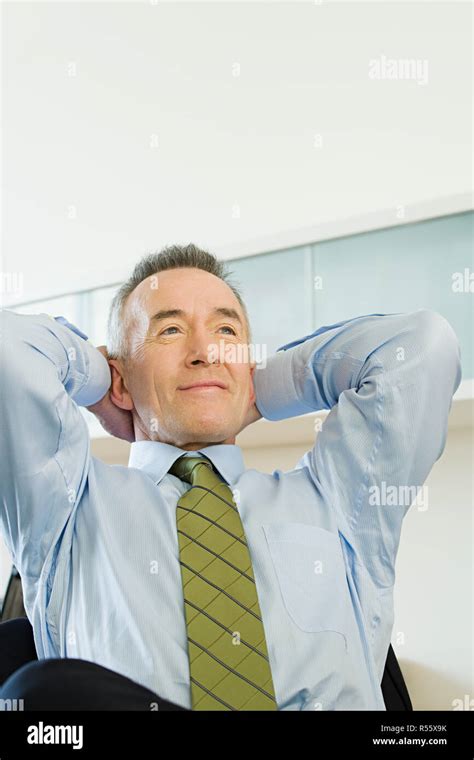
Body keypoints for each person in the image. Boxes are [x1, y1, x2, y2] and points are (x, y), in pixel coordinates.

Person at [0, 244, 462, 710]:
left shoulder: (336, 500)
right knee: (39, 693)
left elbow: (424, 347)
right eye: (171, 329)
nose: (205, 353)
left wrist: (263, 390)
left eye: (225, 331)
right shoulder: (66, 509)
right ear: (122, 380)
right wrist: (100, 387)